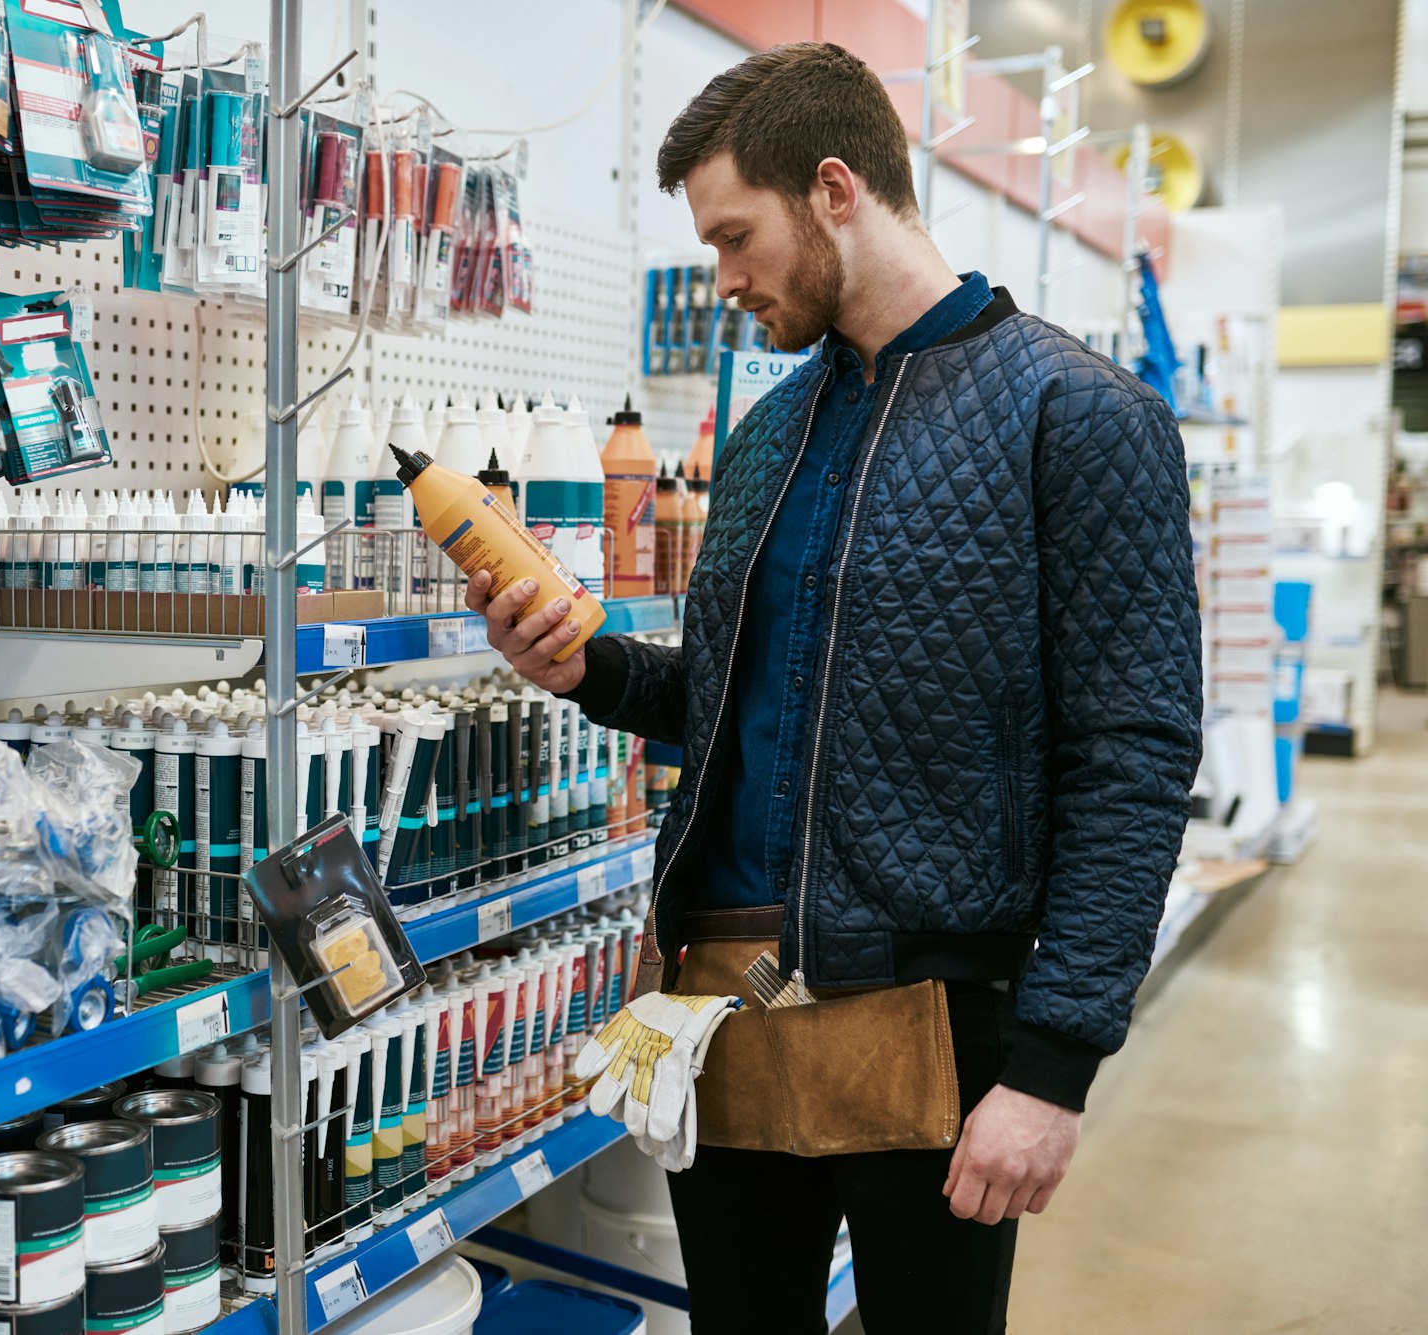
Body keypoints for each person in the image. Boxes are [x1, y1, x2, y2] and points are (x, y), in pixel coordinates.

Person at [464, 42, 1202, 1335]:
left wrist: (1055, 1068)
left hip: (934, 1021)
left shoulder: (1079, 416)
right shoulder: (767, 434)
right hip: (727, 997)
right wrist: (591, 670)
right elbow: (743, 693)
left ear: (836, 189)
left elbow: (1131, 759)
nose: (725, 278)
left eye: (736, 236)